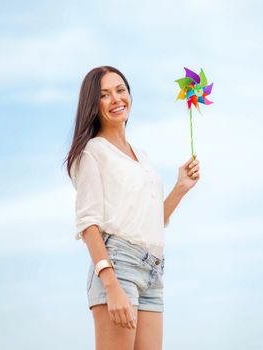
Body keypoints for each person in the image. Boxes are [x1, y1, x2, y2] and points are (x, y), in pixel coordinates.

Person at [64, 66, 200, 350]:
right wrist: (111, 285)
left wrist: (180, 188)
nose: (115, 99)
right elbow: (88, 224)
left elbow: (148, 221)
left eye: (120, 90)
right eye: (104, 95)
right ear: (93, 104)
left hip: (152, 270)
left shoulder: (142, 157)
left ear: (129, 95)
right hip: (118, 266)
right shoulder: (92, 152)